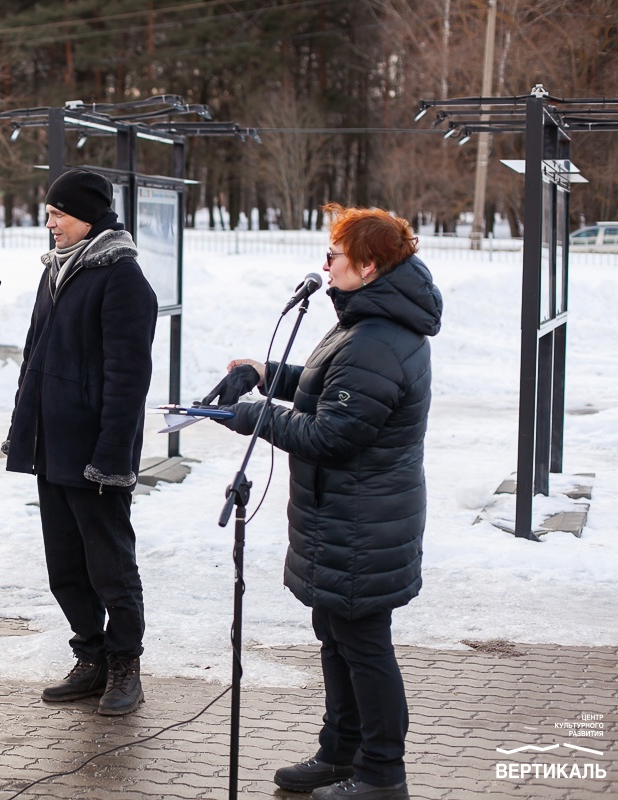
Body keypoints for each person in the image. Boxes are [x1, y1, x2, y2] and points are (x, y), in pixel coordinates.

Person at [215, 203, 442, 800]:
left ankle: (381, 776)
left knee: (364, 650)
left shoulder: (377, 337)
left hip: (364, 525)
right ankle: (339, 754)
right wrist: (267, 373)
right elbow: (331, 388)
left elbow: (332, 435)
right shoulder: (364, 322)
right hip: (343, 520)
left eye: (333, 255)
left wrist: (254, 418)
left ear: (367, 266)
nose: (324, 264)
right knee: (338, 640)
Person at [3, 169, 158, 716]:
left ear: (86, 216)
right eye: (49, 215)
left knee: (110, 567)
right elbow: (34, 360)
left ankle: (124, 667)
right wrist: (25, 430)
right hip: (53, 448)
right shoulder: (57, 273)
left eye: (58, 214)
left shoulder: (122, 278)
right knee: (65, 567)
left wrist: (112, 456)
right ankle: (91, 656)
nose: (49, 224)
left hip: (96, 456)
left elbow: (128, 377)